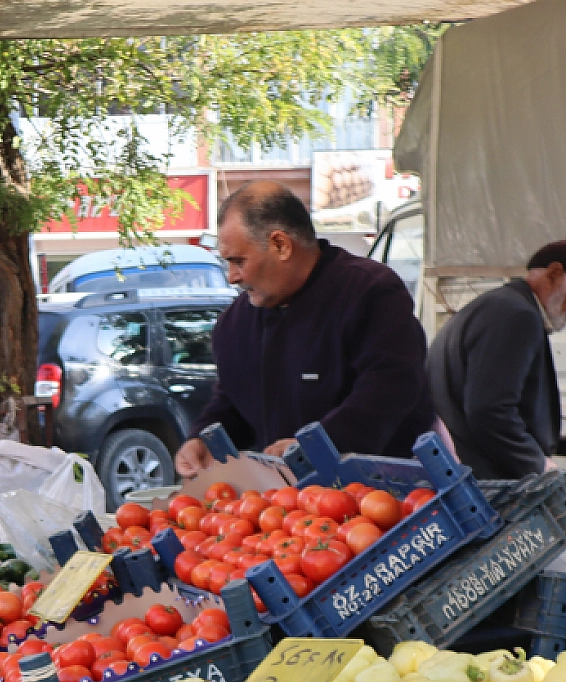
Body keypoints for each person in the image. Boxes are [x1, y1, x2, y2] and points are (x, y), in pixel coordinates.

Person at [175, 182, 433, 476]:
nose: (232, 277)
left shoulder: (368, 291)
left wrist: (319, 445)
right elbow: (232, 400)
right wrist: (201, 440)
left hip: (381, 494)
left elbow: (391, 387)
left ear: (281, 245)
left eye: (239, 261)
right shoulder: (234, 325)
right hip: (285, 507)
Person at [428, 238, 566, 480]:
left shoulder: (498, 306)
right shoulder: (517, 315)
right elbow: (489, 410)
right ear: (555, 273)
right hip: (482, 478)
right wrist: (538, 466)